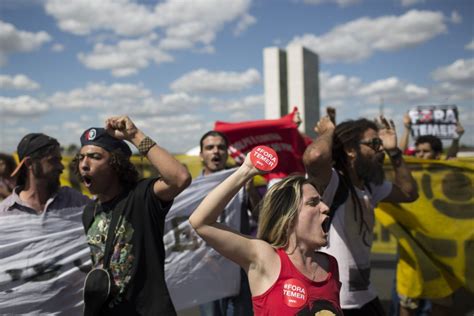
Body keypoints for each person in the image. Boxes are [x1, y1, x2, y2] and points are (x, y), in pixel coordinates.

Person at [189, 152, 343, 315]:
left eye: (322, 201)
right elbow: (201, 222)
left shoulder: (331, 266)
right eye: (313, 203)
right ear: (288, 215)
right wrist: (245, 171)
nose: (325, 207)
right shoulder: (266, 258)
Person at [73, 115, 191, 315]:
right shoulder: (89, 212)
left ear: (116, 164)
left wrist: (135, 135)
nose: (84, 164)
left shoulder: (141, 197)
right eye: (82, 157)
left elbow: (179, 178)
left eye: (95, 157)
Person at [303, 115, 418, 315]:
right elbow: (314, 156)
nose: (379, 149)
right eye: (374, 143)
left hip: (365, 296)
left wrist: (394, 152)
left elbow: (409, 193)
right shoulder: (333, 183)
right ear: (350, 151)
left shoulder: (370, 186)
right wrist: (329, 131)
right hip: (337, 301)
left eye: (380, 144)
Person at [0, 133, 90, 314]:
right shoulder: (5, 217)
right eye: (53, 160)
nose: (61, 166)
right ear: (29, 164)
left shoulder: (76, 203)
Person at [198, 130, 259, 316]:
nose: (216, 151)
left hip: (239, 268)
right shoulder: (192, 189)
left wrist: (250, 190)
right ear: (201, 155)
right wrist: (206, 258)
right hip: (207, 269)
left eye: (221, 147)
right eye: (209, 148)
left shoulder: (240, 183)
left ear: (227, 153)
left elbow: (261, 216)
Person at [399, 113, 464, 160]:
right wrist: (407, 128)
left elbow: (450, 156)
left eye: (426, 151)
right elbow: (400, 156)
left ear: (437, 155)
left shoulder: (443, 167)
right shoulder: (412, 165)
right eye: (417, 152)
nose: (420, 155)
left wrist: (456, 138)